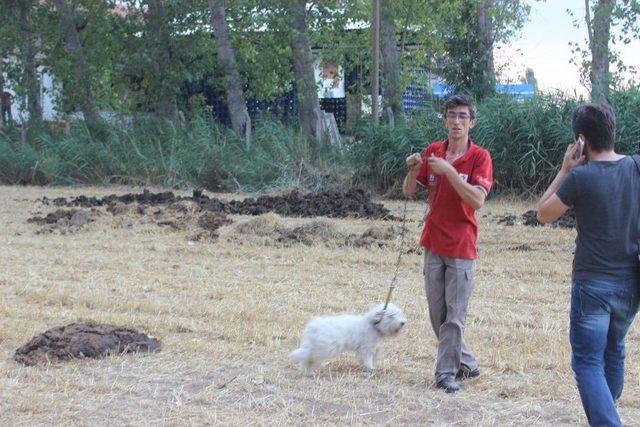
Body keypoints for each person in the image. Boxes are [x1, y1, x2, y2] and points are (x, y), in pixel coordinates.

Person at [537, 103, 640, 426]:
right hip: (631, 283)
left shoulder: (580, 177)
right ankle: (607, 410)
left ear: (580, 140)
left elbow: (543, 213)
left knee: (587, 361)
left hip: (592, 284)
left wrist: (565, 169)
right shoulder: (636, 167)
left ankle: (608, 421)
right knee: (614, 346)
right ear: (613, 132)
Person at [402, 95, 494, 393]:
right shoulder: (434, 151)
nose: (456, 122)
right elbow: (407, 192)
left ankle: (445, 374)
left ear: (472, 123)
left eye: (462, 117)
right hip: (433, 241)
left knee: (455, 315)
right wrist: (414, 169)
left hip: (462, 246)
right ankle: (466, 362)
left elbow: (477, 200)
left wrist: (450, 172)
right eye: (451, 115)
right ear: (445, 120)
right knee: (437, 314)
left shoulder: (480, 157)